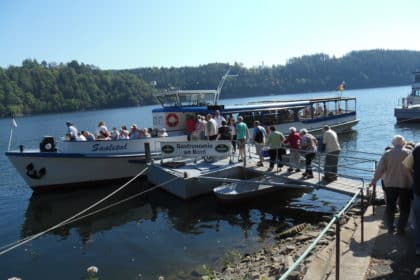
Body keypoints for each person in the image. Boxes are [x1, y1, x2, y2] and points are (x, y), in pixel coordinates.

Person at [370, 135, 412, 235]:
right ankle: (400, 229)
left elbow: (380, 169)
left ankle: (390, 228)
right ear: (403, 143)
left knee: (390, 207)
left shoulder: (387, 154)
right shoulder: (409, 153)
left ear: (393, 143)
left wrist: (374, 180)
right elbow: (412, 169)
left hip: (390, 185)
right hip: (404, 184)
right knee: (405, 208)